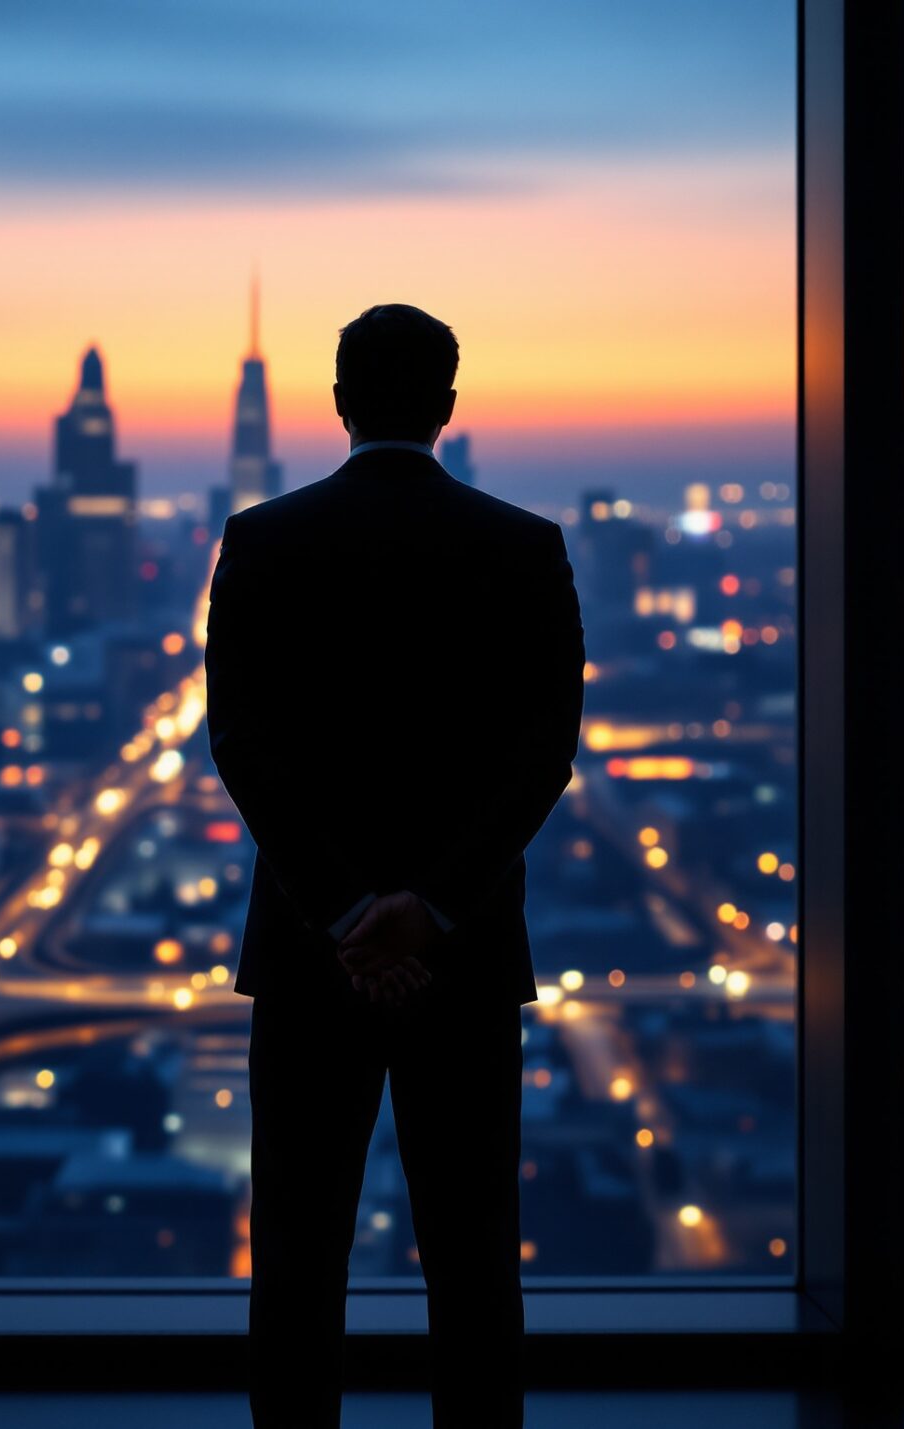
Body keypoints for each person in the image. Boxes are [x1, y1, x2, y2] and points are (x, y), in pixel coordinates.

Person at [206, 302, 586, 1427]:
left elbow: (241, 746)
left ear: (338, 401)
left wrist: (341, 911)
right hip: (461, 960)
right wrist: (431, 908)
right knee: (472, 1256)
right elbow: (542, 756)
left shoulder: (263, 540)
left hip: (307, 953)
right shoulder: (523, 547)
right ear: (448, 406)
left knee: (296, 1253)